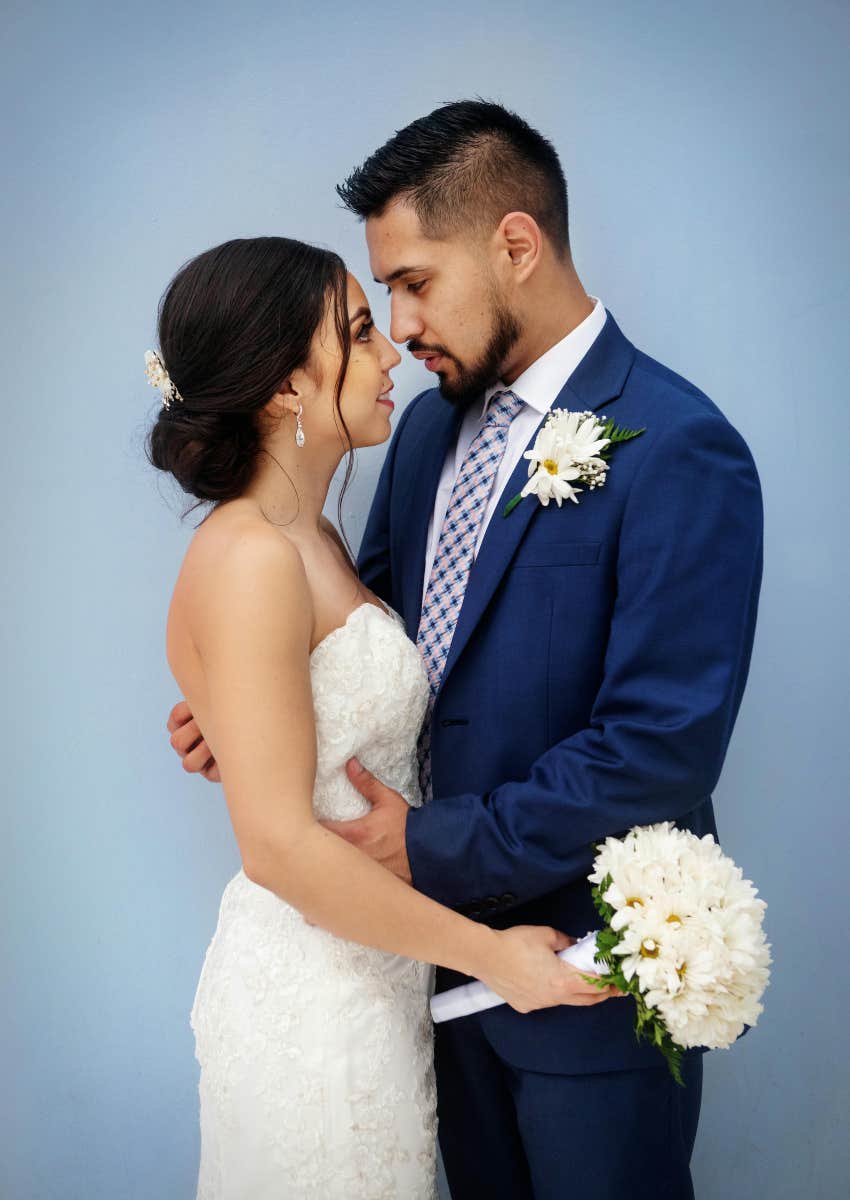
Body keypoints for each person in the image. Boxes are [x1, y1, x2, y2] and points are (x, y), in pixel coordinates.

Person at [170, 103, 763, 1198]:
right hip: (411, 985)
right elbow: (373, 633)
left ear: (515, 246)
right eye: (378, 298)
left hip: (578, 988)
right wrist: (257, 708)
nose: (396, 324)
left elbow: (659, 748)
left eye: (412, 281)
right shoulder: (430, 426)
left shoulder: (680, 447)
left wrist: (434, 846)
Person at [150, 235, 617, 1200]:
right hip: (311, 994)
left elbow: (321, 701)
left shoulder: (312, 535)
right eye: (360, 333)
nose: (392, 350)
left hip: (379, 974)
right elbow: (277, 846)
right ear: (286, 387)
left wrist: (240, 720)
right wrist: (496, 958)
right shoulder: (249, 557)